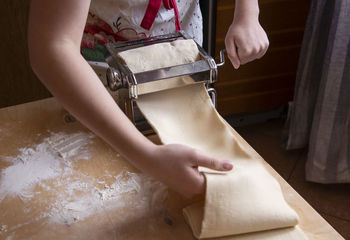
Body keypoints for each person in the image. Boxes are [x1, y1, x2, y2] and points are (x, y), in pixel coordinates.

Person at [28, 0, 269, 198]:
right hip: (103, 89)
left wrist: (248, 13)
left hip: (181, 62)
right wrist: (148, 157)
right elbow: (54, 45)